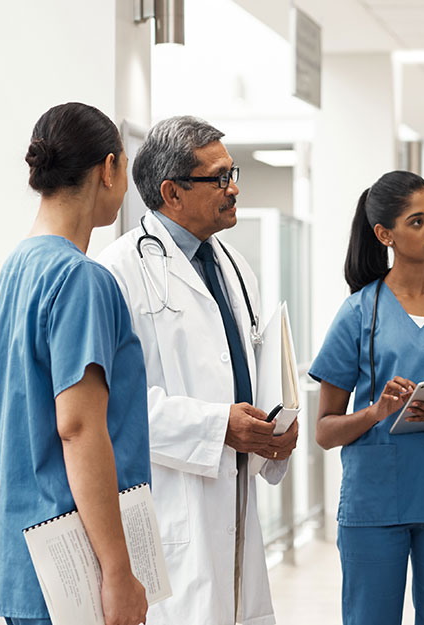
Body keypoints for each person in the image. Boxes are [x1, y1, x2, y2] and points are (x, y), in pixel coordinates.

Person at [96, 115, 298, 625]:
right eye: (219, 178)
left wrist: (274, 430)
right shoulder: (119, 271)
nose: (234, 189)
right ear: (172, 192)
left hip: (234, 494)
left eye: (234, 174)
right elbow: (113, 406)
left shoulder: (233, 266)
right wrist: (216, 426)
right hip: (171, 505)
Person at [0, 102, 149, 625]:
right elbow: (78, 428)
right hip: (74, 565)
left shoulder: (17, 269)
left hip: (23, 556)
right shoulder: (81, 279)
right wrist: (119, 571)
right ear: (109, 169)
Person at [309, 171, 424, 625]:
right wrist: (376, 411)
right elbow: (324, 431)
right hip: (374, 505)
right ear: (385, 235)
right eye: (417, 221)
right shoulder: (359, 312)